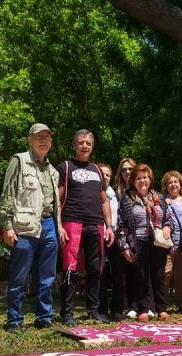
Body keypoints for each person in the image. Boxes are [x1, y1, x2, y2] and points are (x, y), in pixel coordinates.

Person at [0, 123, 61, 333]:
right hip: (24, 225)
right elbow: (7, 195)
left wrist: (58, 226)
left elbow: (56, 204)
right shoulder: (19, 161)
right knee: (19, 275)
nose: (44, 140)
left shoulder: (53, 170)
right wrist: (7, 225)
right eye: (39, 136)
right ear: (30, 139)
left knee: (47, 275)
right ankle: (14, 320)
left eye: (48, 137)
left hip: (49, 225)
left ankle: (44, 317)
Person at [57, 129, 115, 327]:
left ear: (92, 146)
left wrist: (109, 226)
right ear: (74, 145)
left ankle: (93, 310)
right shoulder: (65, 166)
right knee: (70, 268)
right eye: (81, 142)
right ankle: (67, 313)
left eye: (88, 143)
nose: (84, 146)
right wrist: (58, 224)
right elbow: (57, 198)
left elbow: (104, 200)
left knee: (95, 268)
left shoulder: (98, 170)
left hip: (96, 223)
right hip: (72, 221)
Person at [117, 164, 172, 322]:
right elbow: (121, 225)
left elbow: (168, 218)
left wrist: (167, 227)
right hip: (138, 241)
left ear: (150, 179)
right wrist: (125, 247)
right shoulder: (127, 199)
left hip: (158, 242)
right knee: (141, 276)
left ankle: (161, 309)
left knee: (159, 275)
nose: (142, 181)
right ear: (133, 181)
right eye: (139, 178)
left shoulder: (159, 197)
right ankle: (143, 309)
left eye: (145, 177)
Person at [97, 163, 125, 321]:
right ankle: (100, 309)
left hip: (115, 235)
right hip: (98, 234)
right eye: (102, 173)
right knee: (99, 273)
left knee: (118, 273)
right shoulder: (92, 192)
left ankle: (117, 309)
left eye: (107, 174)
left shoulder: (115, 193)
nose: (105, 177)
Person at [161, 170, 182, 308]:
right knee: (166, 274)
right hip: (168, 243)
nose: (173, 185)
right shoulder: (162, 200)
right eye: (170, 183)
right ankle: (161, 305)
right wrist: (164, 204)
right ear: (166, 186)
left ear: (181, 184)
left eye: (176, 182)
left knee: (181, 275)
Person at [115, 157, 141, 318]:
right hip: (119, 236)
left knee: (139, 272)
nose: (127, 172)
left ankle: (140, 305)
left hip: (137, 238)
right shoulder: (114, 191)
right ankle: (128, 305)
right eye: (124, 169)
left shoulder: (141, 189)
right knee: (122, 274)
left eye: (130, 169)